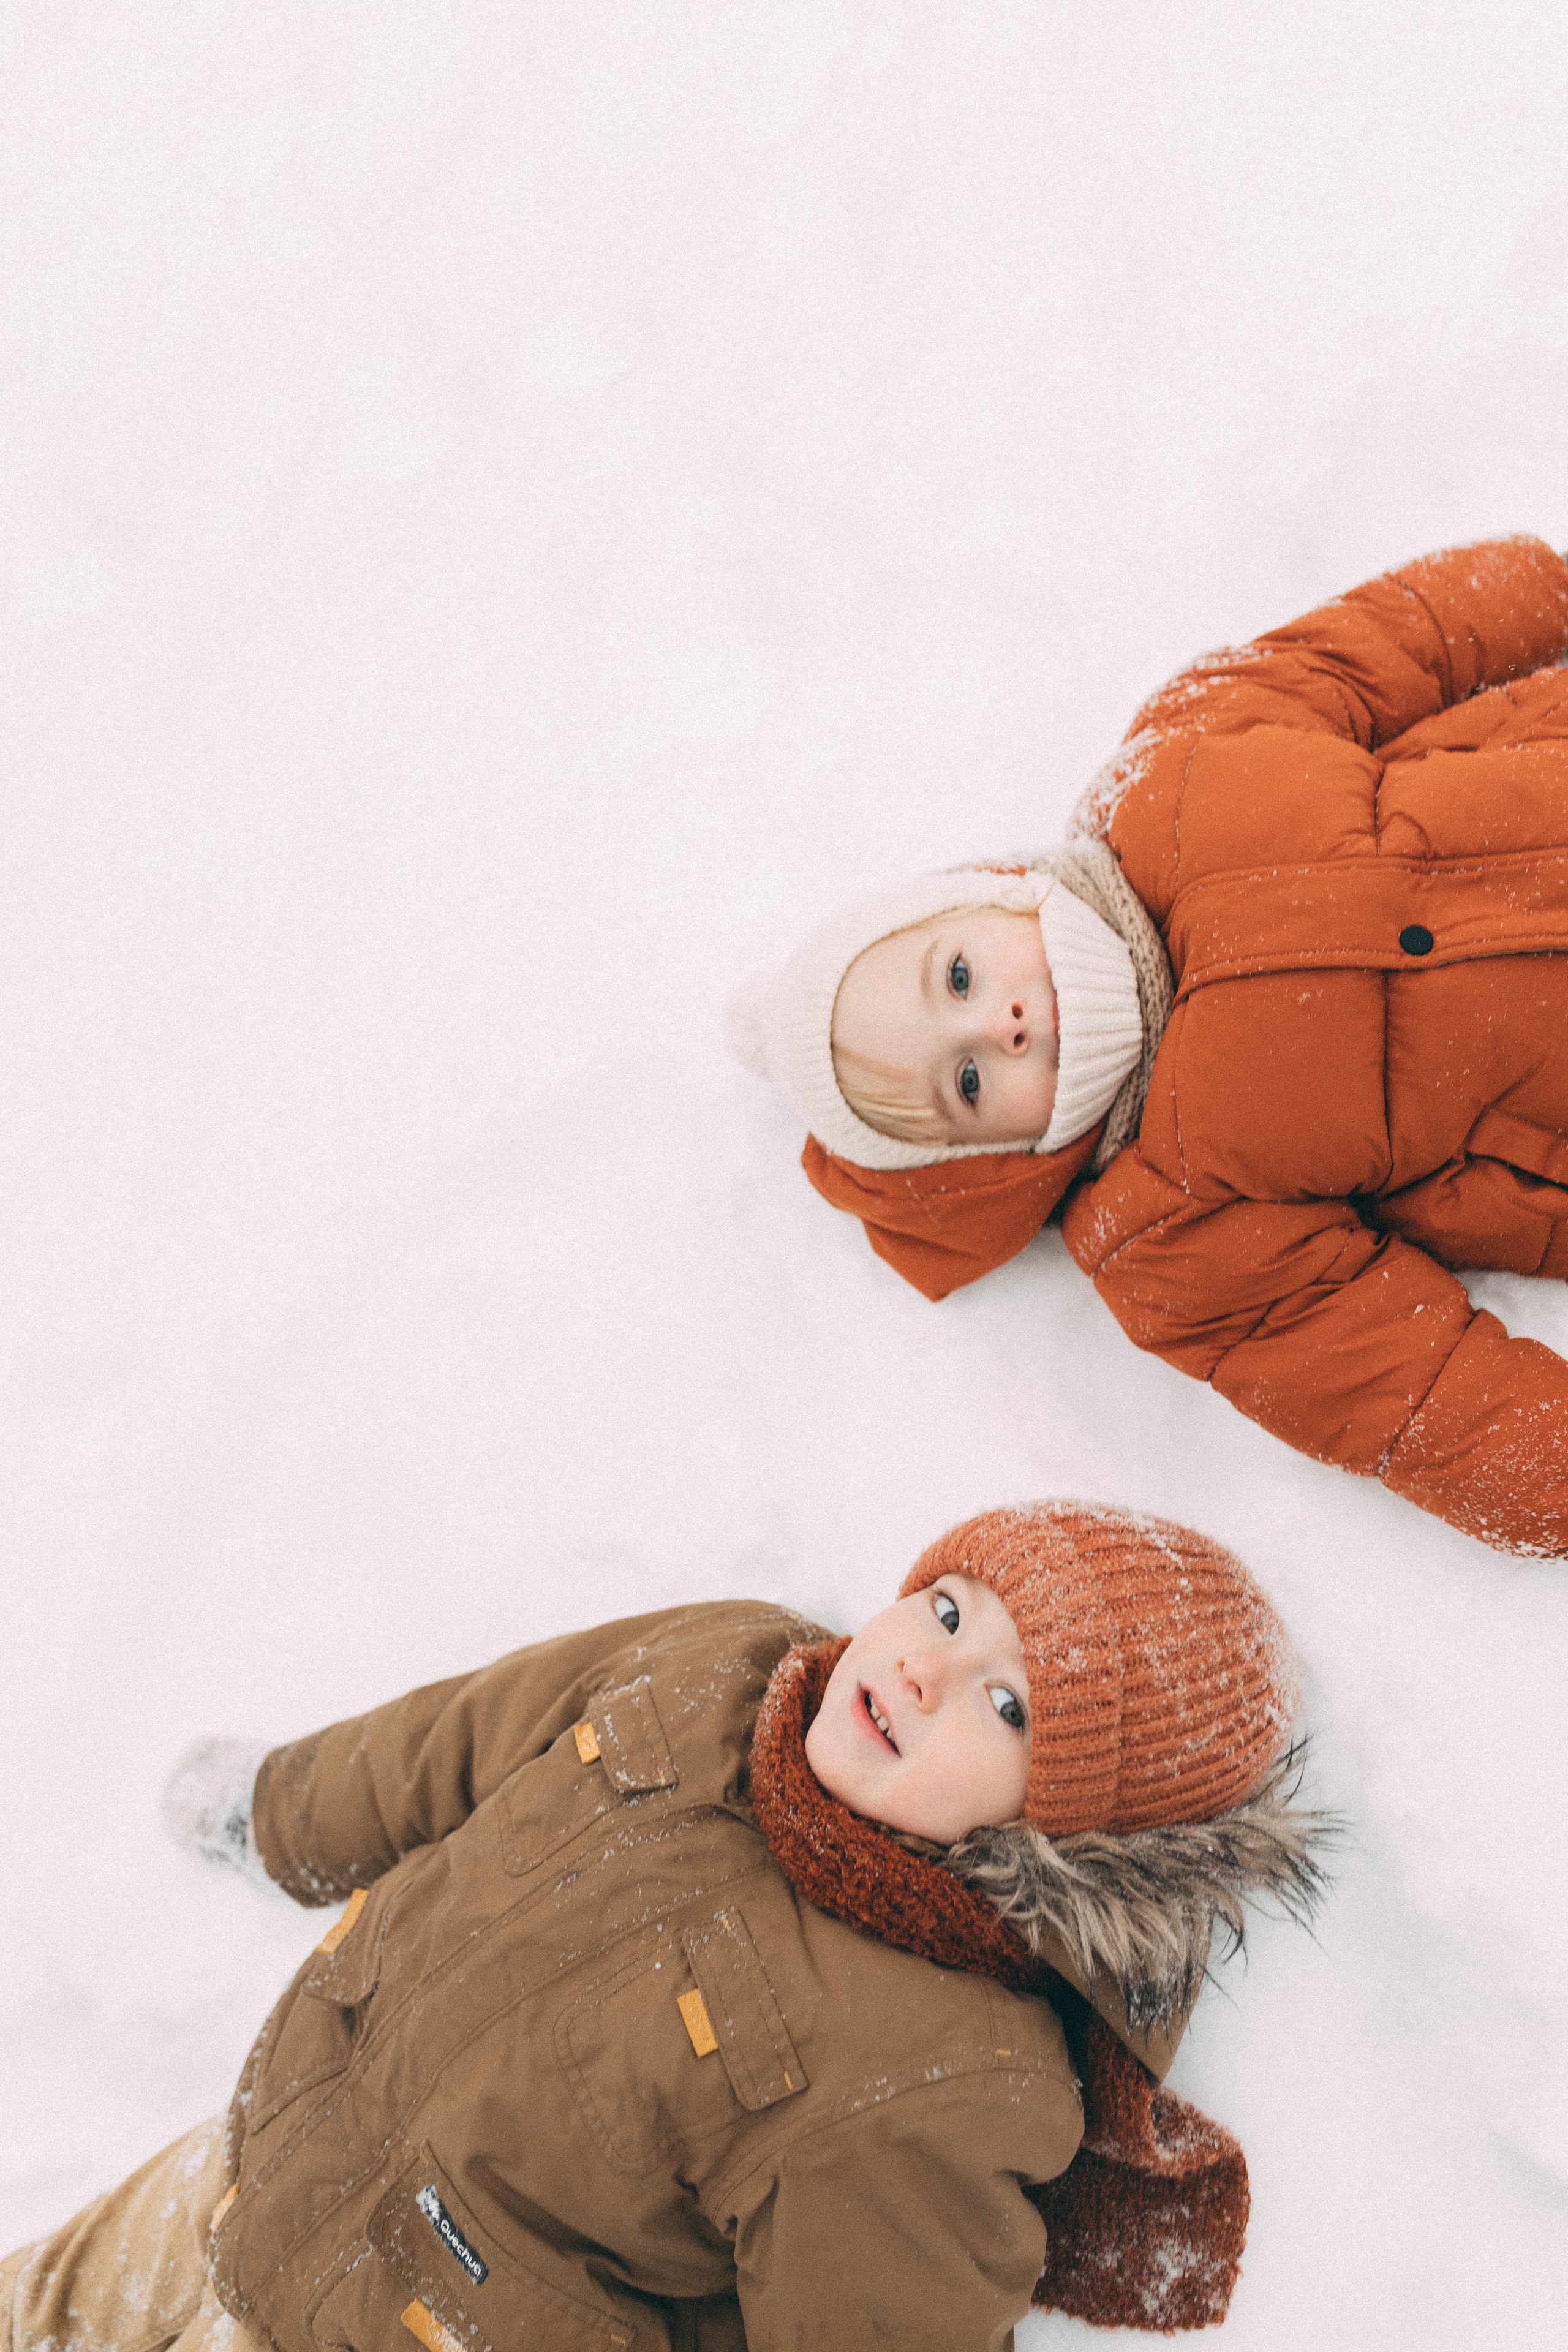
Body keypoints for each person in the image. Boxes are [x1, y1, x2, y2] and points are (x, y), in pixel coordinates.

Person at [0, 1504, 1328, 2351]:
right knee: (49, 2305)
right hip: (282, 2127)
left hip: (417, 2320)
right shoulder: (719, 1666)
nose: (926, 1668)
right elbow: (458, 1738)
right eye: (949, 1610)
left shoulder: (928, 2080)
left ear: (1064, 1843)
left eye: (1009, 1709)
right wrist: (278, 1811)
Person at [728, 536, 1568, 1559]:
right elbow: (1419, 1395)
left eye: (959, 976)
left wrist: (1545, 588)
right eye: (969, 1081)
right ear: (994, 1160)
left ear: (984, 894)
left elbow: (1384, 646)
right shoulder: (1169, 1238)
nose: (1002, 1023)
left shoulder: (1172, 763)